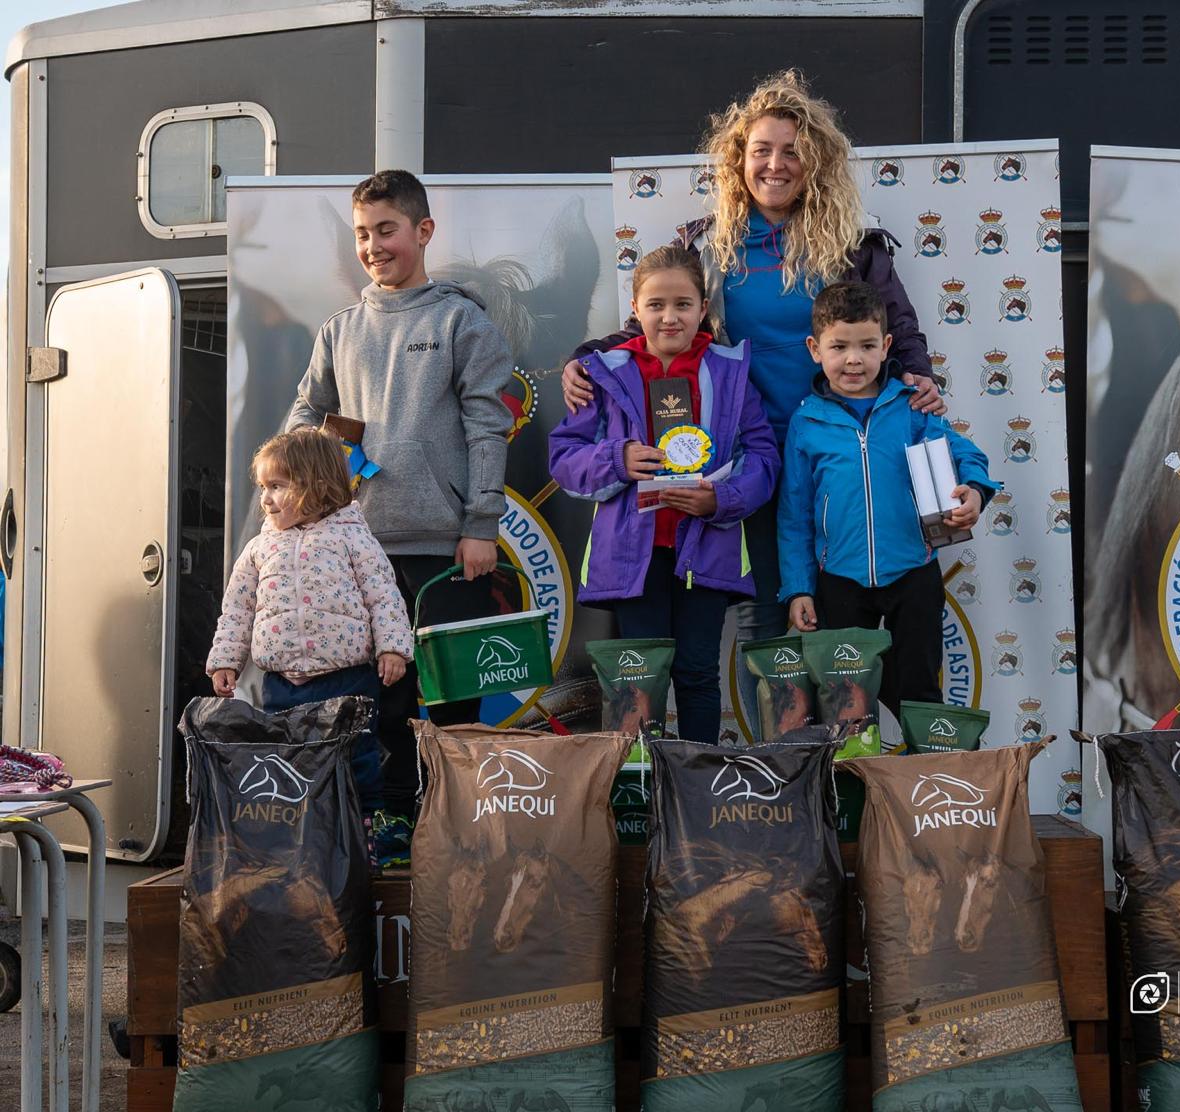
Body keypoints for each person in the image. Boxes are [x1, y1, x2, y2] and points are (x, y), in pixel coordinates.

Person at [560, 71, 943, 725]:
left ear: (814, 161)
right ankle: (779, 765)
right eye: (762, 149)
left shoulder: (854, 242)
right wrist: (585, 359)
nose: (776, 163)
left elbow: (894, 327)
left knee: (841, 611)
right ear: (739, 159)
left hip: (837, 450)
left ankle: (842, 760)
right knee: (770, 616)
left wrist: (921, 375)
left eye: (791, 150)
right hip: (754, 456)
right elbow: (659, 318)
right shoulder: (709, 244)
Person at [286, 169, 514, 850]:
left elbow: (486, 426)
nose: (373, 245)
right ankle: (388, 819)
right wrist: (319, 459)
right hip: (359, 550)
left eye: (386, 229)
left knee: (452, 701)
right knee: (378, 701)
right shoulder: (339, 330)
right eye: (362, 233)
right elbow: (305, 415)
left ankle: (457, 827)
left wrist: (479, 525)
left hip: (447, 550)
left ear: (422, 231)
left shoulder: (461, 321)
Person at [548, 245, 779, 744]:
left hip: (707, 550)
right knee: (639, 683)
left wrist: (722, 501)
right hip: (633, 555)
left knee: (698, 675)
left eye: (682, 305)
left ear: (703, 310)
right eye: (656, 305)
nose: (669, 317)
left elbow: (763, 456)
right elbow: (564, 457)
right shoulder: (604, 372)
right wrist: (618, 459)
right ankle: (643, 793)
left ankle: (695, 791)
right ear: (635, 310)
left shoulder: (731, 370)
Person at [777, 282, 996, 718]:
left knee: (918, 690)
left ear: (886, 345)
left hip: (913, 574)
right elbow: (794, 514)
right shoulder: (806, 422)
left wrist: (974, 489)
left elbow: (963, 453)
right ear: (815, 349)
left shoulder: (912, 407)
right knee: (846, 704)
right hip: (838, 580)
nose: (853, 359)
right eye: (838, 346)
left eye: (867, 346)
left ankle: (927, 776)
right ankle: (851, 784)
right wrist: (799, 588)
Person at [207, 428, 413, 867]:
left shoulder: (353, 538)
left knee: (356, 757)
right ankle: (301, 843)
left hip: (347, 676)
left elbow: (384, 595)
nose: (266, 498)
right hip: (283, 683)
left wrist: (393, 649)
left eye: (278, 486)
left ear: (317, 485)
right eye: (263, 487)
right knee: (292, 761)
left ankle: (364, 835)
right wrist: (225, 659)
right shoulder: (260, 548)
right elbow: (238, 610)